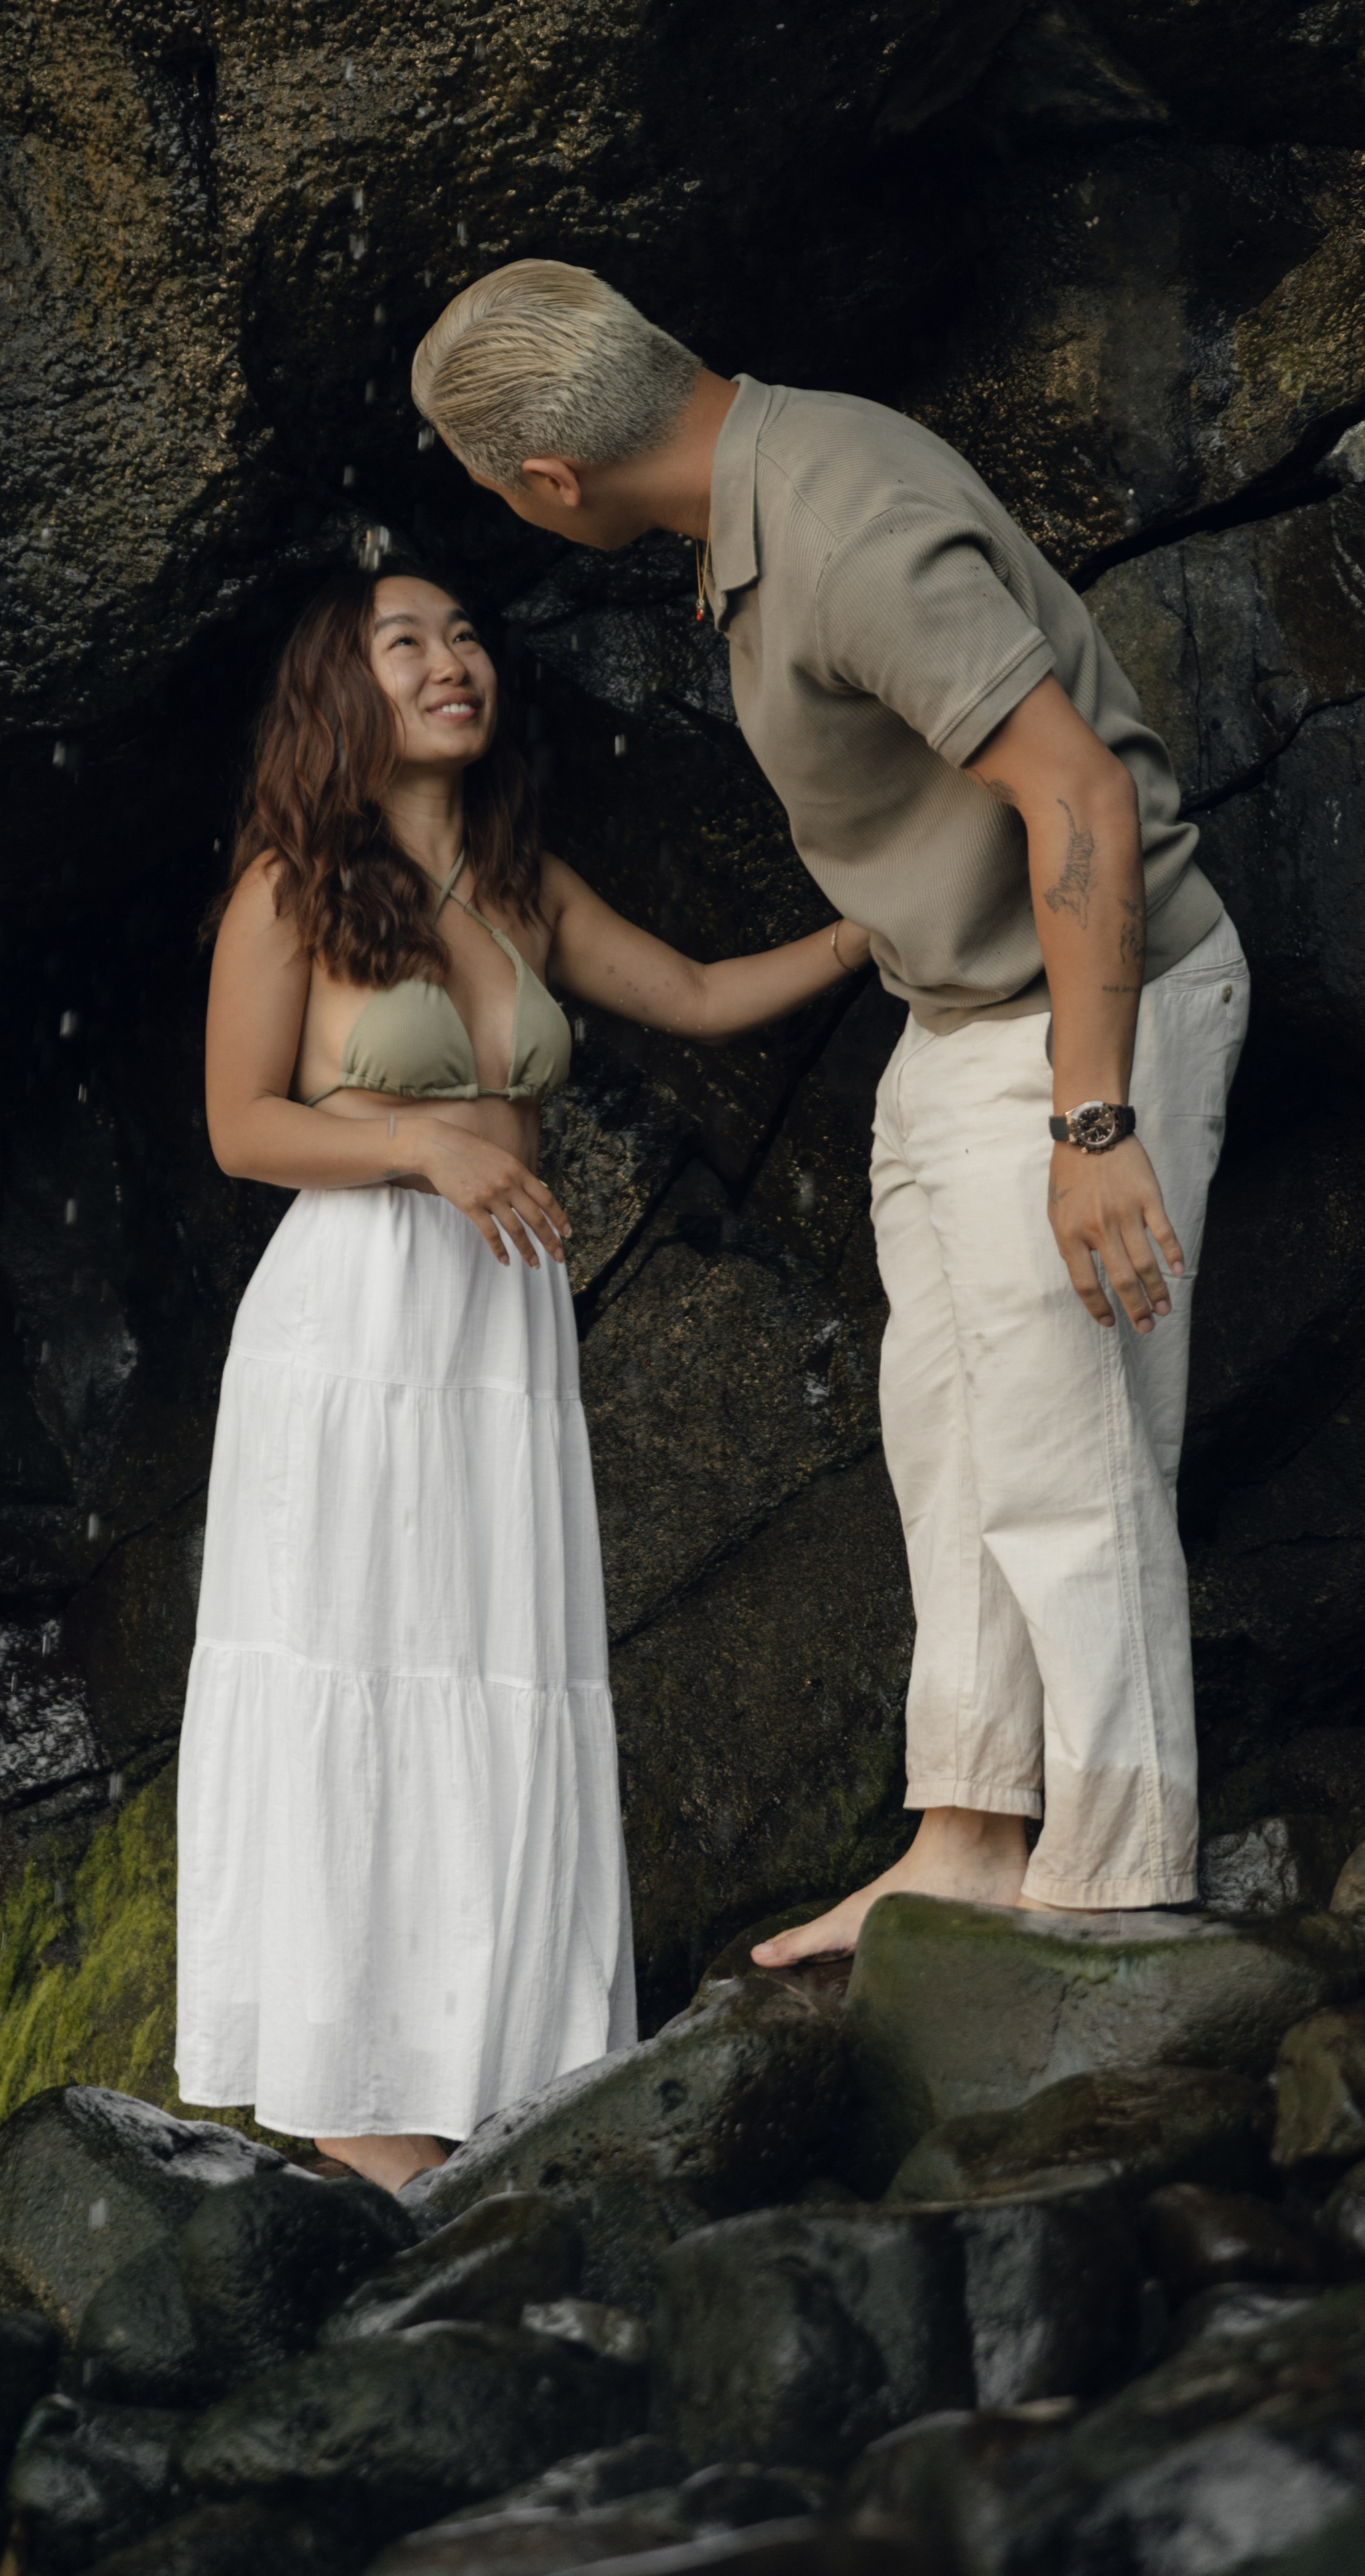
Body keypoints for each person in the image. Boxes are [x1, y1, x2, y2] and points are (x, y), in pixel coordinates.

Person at [411, 262, 1248, 1958]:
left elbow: (1073, 791)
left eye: (487, 485)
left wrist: (1090, 1128)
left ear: (550, 485)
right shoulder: (759, 499)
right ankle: (963, 1836)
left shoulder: (839, 514)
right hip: (957, 1016)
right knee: (952, 1447)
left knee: (1062, 1459)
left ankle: (1118, 1882)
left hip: (1079, 1016)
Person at [178, 561, 873, 2186]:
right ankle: (360, 2114)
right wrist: (421, 1140)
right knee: (359, 1671)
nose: (450, 659)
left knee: (496, 1675)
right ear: (336, 701)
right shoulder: (288, 887)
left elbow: (698, 997)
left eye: (465, 628)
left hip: (498, 1336)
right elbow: (237, 1128)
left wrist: (865, 934)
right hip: (351, 1330)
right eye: (402, 643)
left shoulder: (519, 880)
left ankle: (488, 2084)